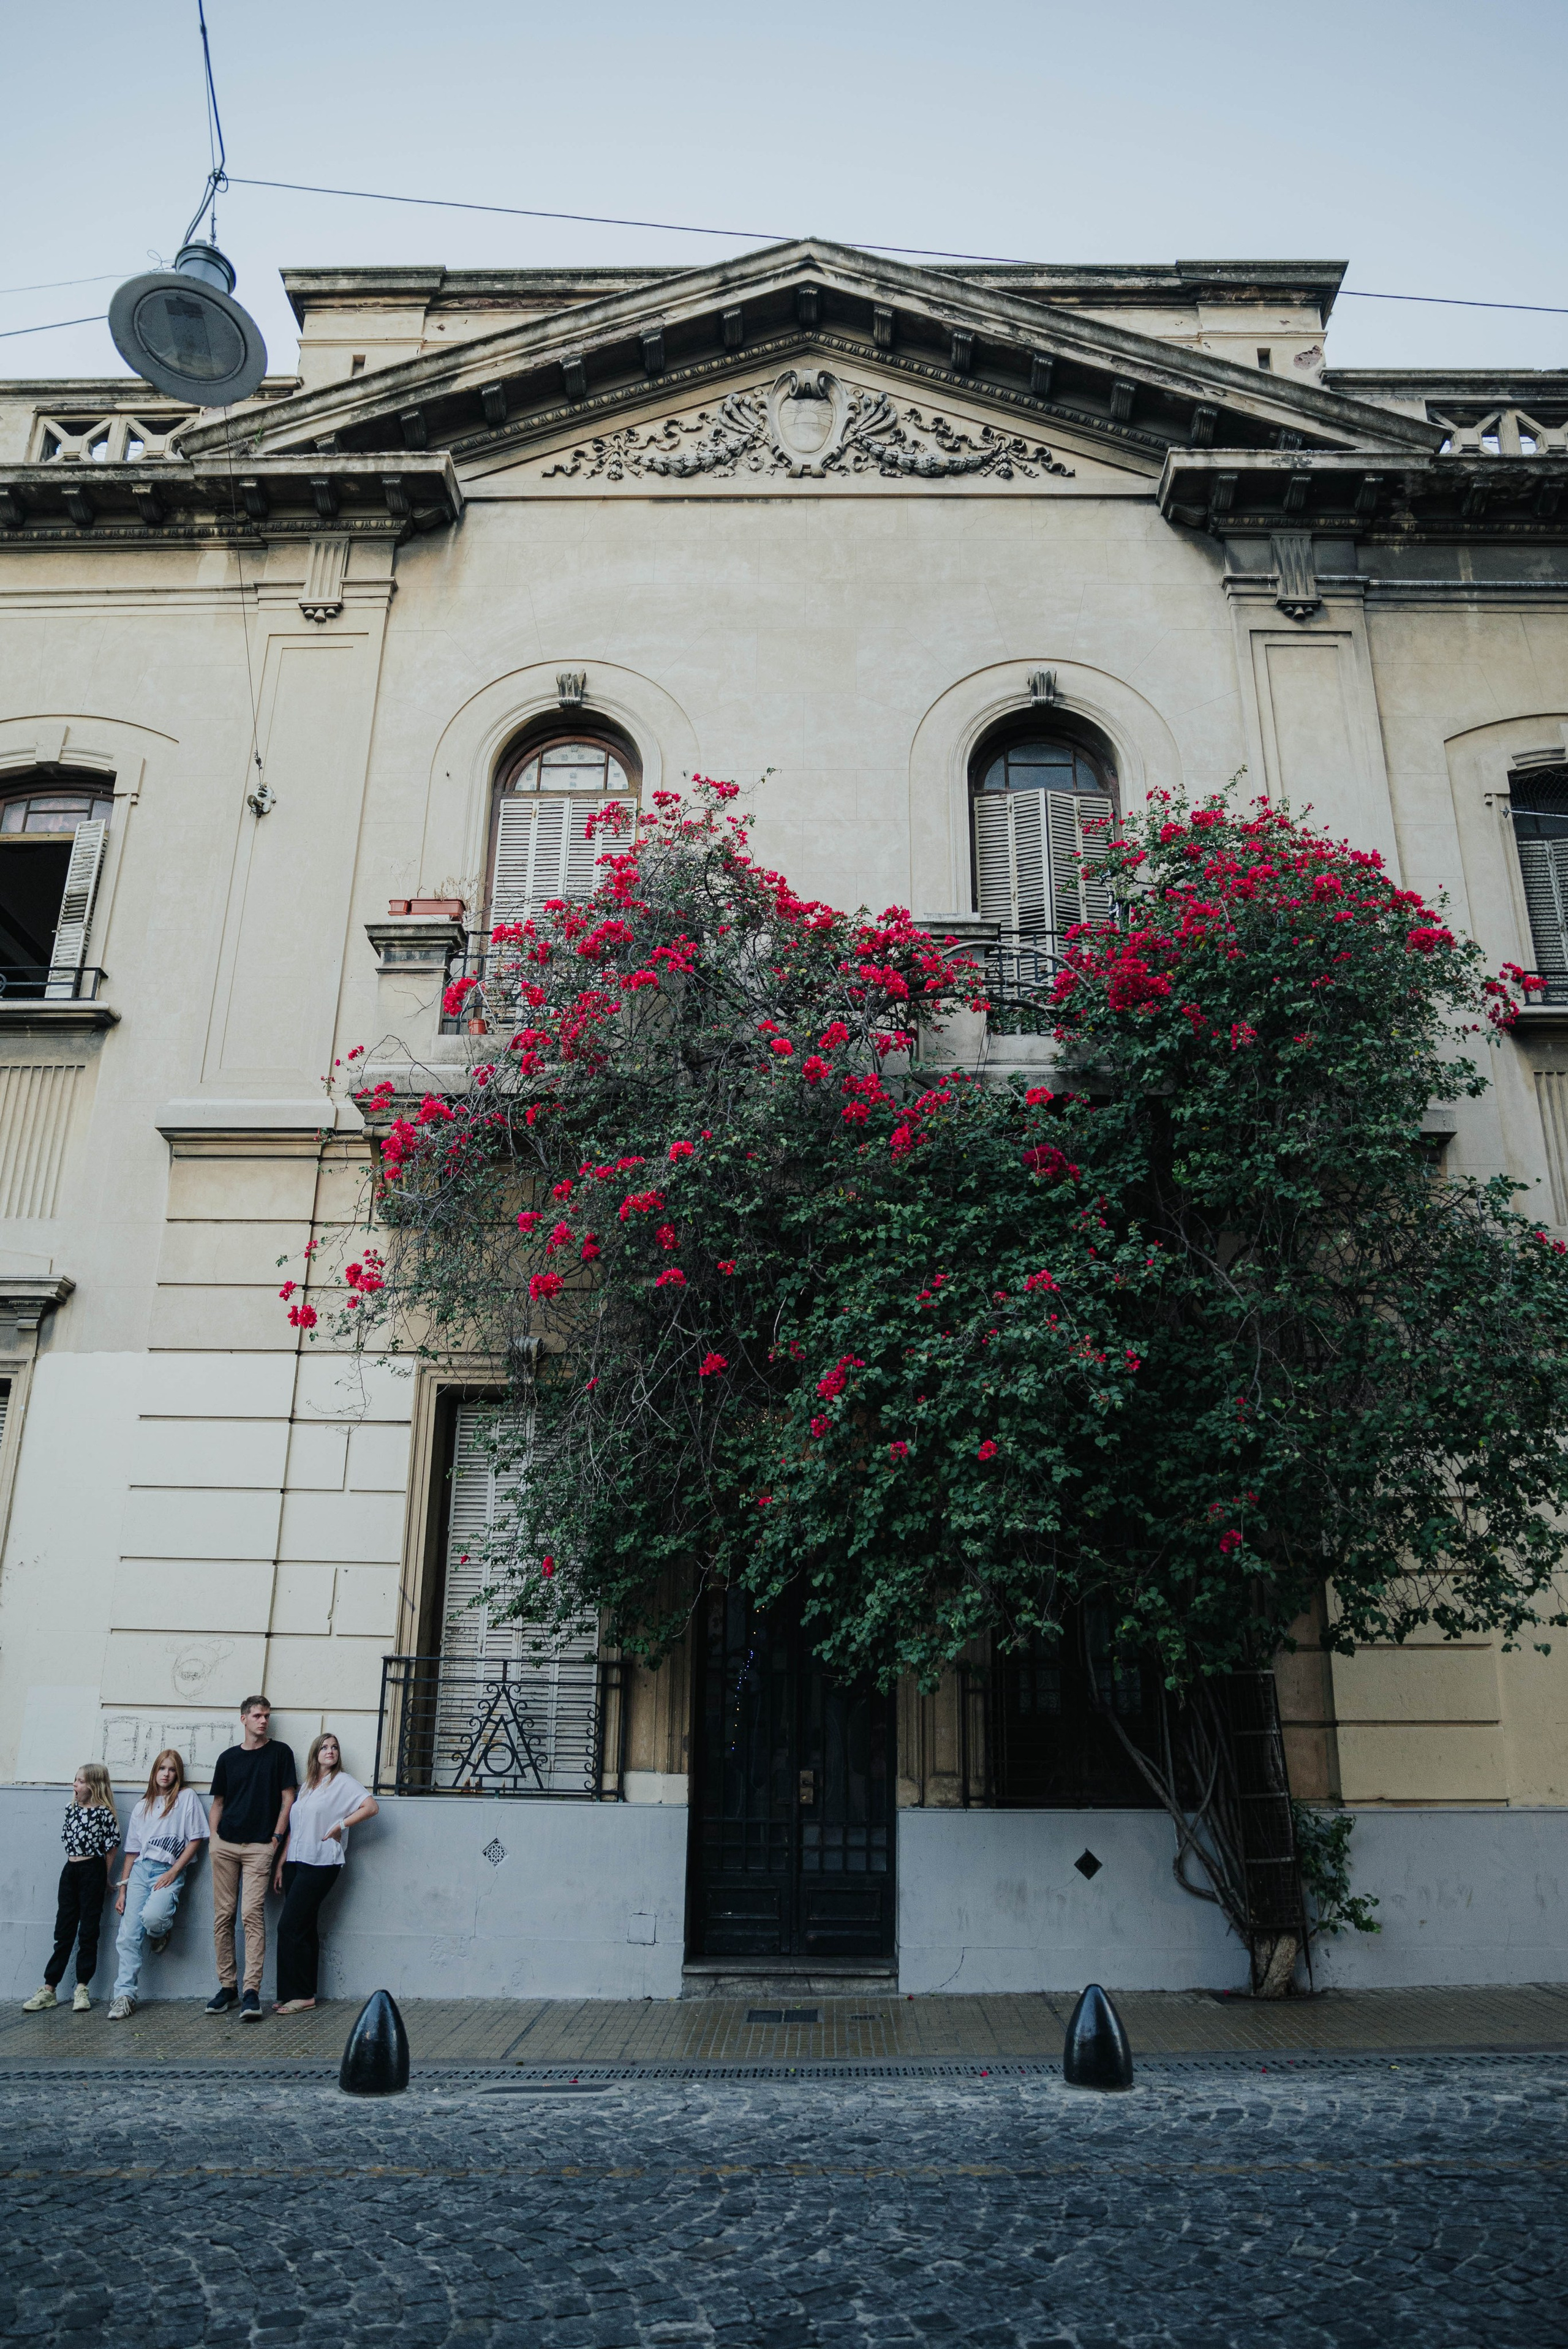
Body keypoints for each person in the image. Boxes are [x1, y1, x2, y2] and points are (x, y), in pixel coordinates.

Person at [272, 1731, 378, 2013]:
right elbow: (295, 1829)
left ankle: (303, 1994)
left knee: (289, 1926)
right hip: (296, 1861)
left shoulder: (342, 1782)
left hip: (322, 1863)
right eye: (324, 1747)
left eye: (334, 1748)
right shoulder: (306, 1787)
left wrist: (341, 1825)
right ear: (315, 1753)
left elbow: (371, 1807)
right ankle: (292, 1993)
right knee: (304, 1929)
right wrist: (282, 1863)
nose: (330, 1751)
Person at [206, 1696, 296, 2022]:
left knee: (251, 1915)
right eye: (257, 1715)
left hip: (261, 1846)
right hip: (225, 1845)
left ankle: (251, 1992)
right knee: (223, 1916)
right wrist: (214, 1839)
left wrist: (275, 1839)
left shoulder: (281, 1753)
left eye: (267, 1716)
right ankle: (227, 1987)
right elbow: (218, 1802)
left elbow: (289, 1800)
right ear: (243, 1718)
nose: (263, 1721)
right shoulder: (228, 1758)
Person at [108, 1749, 209, 2019]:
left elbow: (196, 1839)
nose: (166, 1774)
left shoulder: (186, 1799)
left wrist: (174, 1872)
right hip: (141, 1871)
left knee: (153, 1918)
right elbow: (132, 1851)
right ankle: (124, 1995)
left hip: (169, 1870)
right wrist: (123, 1888)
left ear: (178, 1774)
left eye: (172, 1769)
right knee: (128, 1934)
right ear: (154, 1772)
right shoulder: (143, 1806)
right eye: (162, 1768)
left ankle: (159, 1933)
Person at [22, 1762, 120, 2013]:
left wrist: (104, 1878)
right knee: (64, 1930)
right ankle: (49, 1989)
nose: (74, 1785)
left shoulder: (104, 1814)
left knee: (88, 1931)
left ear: (94, 1786)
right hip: (70, 1871)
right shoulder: (71, 1809)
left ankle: (82, 1988)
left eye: (80, 1781)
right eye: (75, 1780)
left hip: (92, 1871)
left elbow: (112, 1847)